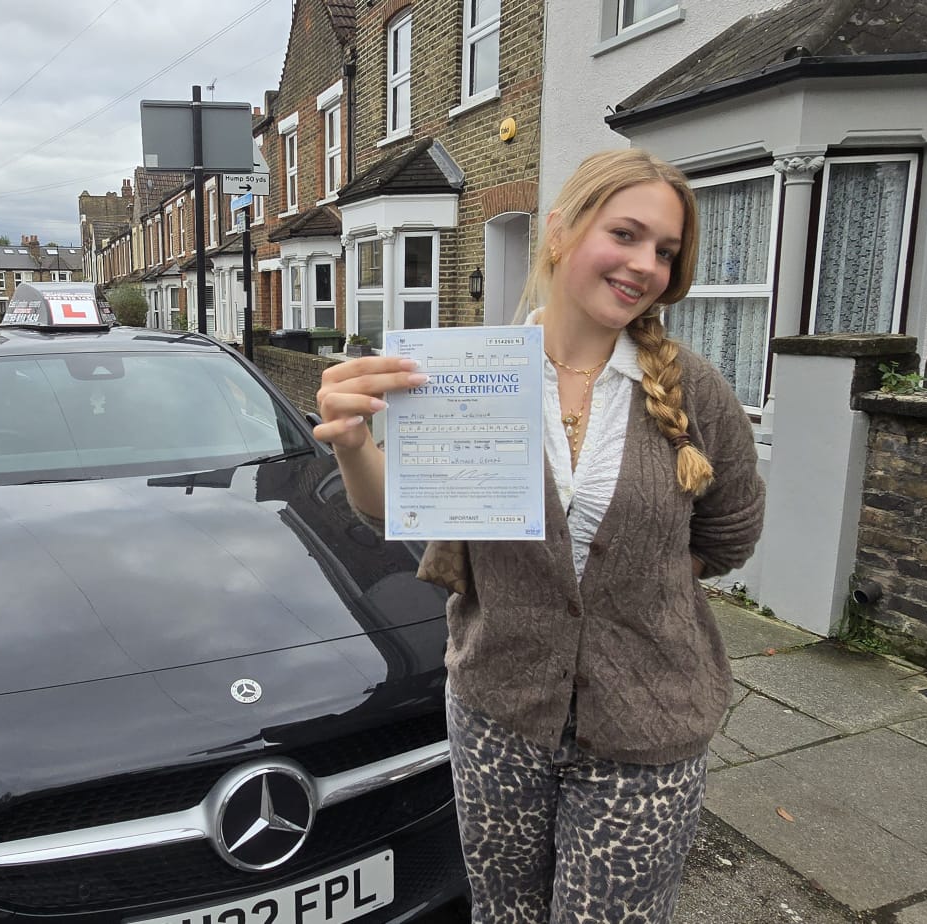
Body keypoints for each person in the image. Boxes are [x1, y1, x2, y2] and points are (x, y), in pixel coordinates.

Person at [313, 148, 766, 923]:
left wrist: (631, 587)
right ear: (559, 233)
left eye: (664, 251)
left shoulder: (696, 390)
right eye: (625, 234)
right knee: (503, 915)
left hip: (646, 731)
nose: (645, 264)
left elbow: (729, 532)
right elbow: (401, 512)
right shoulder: (472, 376)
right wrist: (355, 445)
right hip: (498, 717)